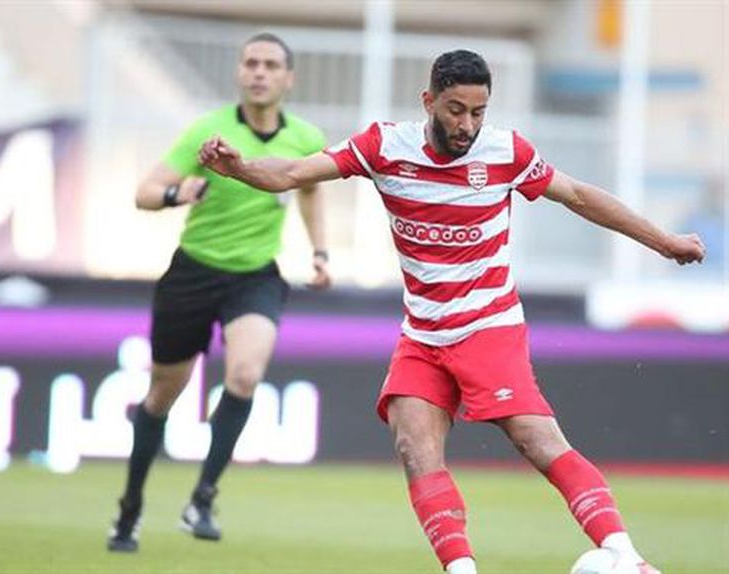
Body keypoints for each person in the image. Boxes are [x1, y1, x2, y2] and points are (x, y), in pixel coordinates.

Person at [198, 50, 705, 574]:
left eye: (478, 112)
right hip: (423, 332)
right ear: (429, 101)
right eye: (455, 110)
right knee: (413, 444)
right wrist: (241, 168)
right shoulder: (384, 147)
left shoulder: (505, 152)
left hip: (488, 326)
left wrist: (663, 241)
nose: (467, 125)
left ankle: (628, 558)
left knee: (535, 439)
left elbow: (576, 194)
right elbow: (293, 172)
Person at [108, 32, 330, 552]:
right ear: (239, 72)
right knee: (164, 393)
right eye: (251, 63)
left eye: (270, 65)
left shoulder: (306, 138)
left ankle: (202, 498)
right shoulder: (206, 132)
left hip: (255, 276)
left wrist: (320, 252)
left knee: (246, 374)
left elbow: (311, 191)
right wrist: (176, 193)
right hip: (193, 273)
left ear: (288, 78)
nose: (259, 72)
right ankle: (130, 506)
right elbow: (144, 193)